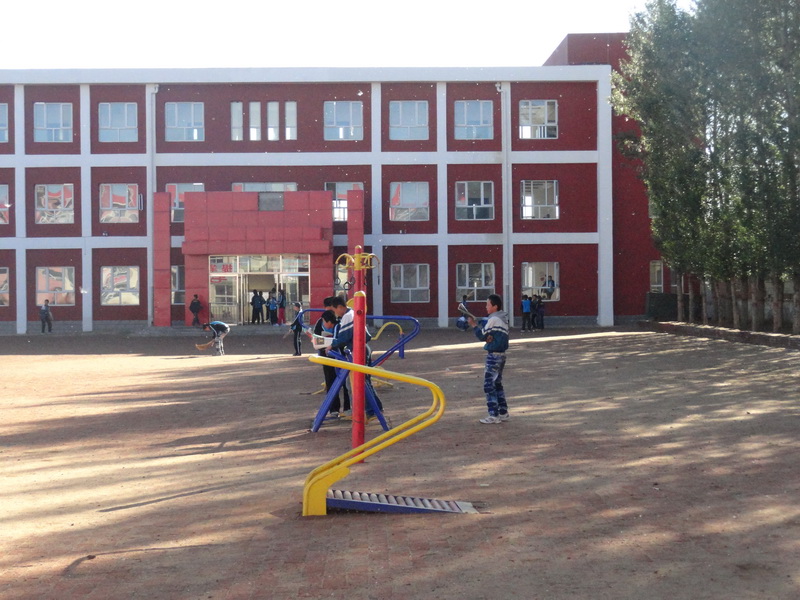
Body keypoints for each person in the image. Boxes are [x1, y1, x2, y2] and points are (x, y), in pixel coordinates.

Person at [329, 296, 383, 416]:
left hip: (358, 351)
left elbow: (343, 338)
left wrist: (331, 345)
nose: (335, 313)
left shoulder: (347, 316)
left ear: (340, 307)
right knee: (364, 380)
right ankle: (376, 408)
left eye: (335, 310)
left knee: (358, 382)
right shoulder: (353, 313)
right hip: (362, 348)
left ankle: (369, 410)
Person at [467, 294, 510, 424]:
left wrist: (473, 325)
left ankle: (493, 414)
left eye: (488, 304)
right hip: (501, 355)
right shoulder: (502, 318)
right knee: (497, 384)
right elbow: (489, 335)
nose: (486, 307)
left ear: (495, 306)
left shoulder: (494, 319)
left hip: (494, 356)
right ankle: (503, 412)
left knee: (489, 385)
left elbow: (482, 336)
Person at [312, 298, 351, 417]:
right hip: (327, 357)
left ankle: (348, 407)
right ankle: (334, 409)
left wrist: (332, 343)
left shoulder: (341, 322)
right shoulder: (321, 322)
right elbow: (316, 339)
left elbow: (343, 339)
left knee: (345, 383)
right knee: (330, 381)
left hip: (341, 357)